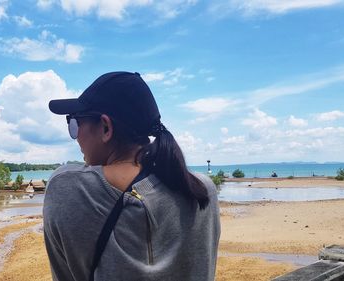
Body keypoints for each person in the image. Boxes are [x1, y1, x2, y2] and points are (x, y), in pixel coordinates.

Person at [44, 71, 220, 281]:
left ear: (106, 127)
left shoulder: (66, 188)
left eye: (74, 124)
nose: (76, 137)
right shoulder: (202, 190)